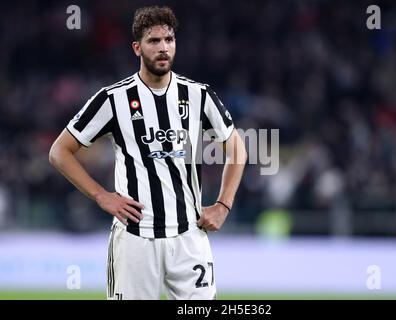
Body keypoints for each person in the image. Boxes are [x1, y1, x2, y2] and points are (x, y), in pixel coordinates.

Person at [49, 6, 247, 300]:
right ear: (137, 47)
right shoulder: (112, 99)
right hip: (135, 240)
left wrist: (223, 205)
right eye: (154, 41)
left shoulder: (198, 95)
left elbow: (237, 149)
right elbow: (59, 151)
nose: (163, 48)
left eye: (169, 39)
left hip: (189, 238)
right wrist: (101, 195)